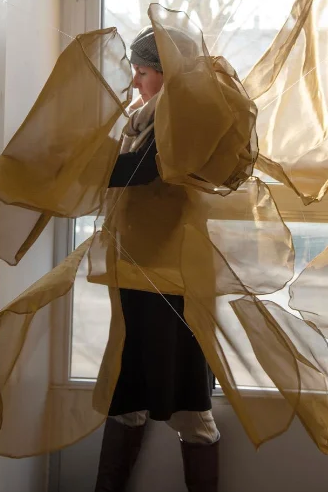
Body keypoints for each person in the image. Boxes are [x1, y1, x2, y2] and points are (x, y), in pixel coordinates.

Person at [94, 26, 220, 492]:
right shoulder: (146, 118)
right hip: (140, 272)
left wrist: (74, 167)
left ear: (169, 74)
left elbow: (140, 172)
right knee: (128, 394)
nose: (134, 81)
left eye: (143, 71)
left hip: (171, 280)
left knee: (190, 406)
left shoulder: (182, 119)